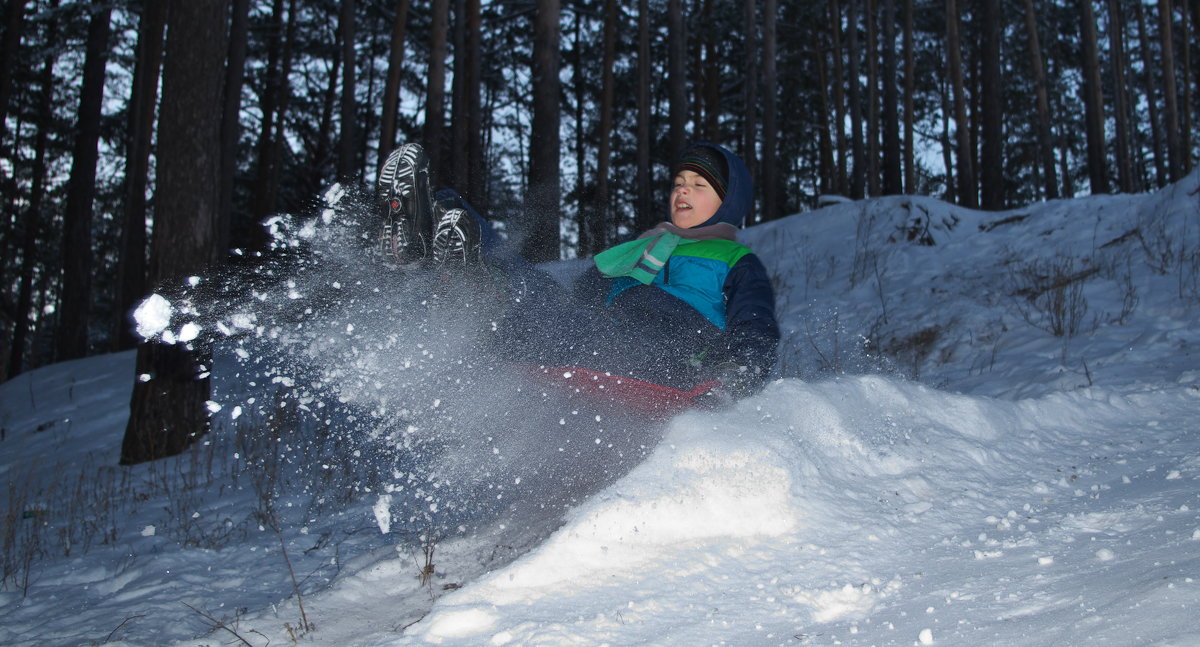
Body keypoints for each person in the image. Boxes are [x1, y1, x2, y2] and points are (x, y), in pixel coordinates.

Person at [376, 142, 779, 400]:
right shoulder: (642, 247)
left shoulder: (733, 260)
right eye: (678, 182)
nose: (682, 190)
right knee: (527, 286)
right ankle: (425, 234)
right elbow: (580, 295)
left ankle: (475, 287)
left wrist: (738, 373)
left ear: (729, 202)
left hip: (668, 359)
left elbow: (755, 325)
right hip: (595, 334)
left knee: (540, 312)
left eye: (699, 185)